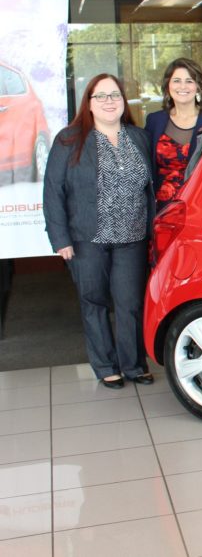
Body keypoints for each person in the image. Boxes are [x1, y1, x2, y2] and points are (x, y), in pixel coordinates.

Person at [42, 74, 155, 388]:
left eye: (115, 95)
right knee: (94, 302)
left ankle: (134, 364)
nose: (109, 101)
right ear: (89, 104)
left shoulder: (139, 137)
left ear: (123, 101)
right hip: (86, 238)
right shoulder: (70, 139)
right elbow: (53, 191)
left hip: (132, 238)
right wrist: (60, 238)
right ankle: (106, 365)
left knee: (130, 304)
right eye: (101, 96)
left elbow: (150, 189)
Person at [144, 57, 202, 209]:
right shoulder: (154, 121)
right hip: (163, 209)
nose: (182, 86)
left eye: (189, 81)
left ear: (198, 86)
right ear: (167, 85)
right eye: (176, 80)